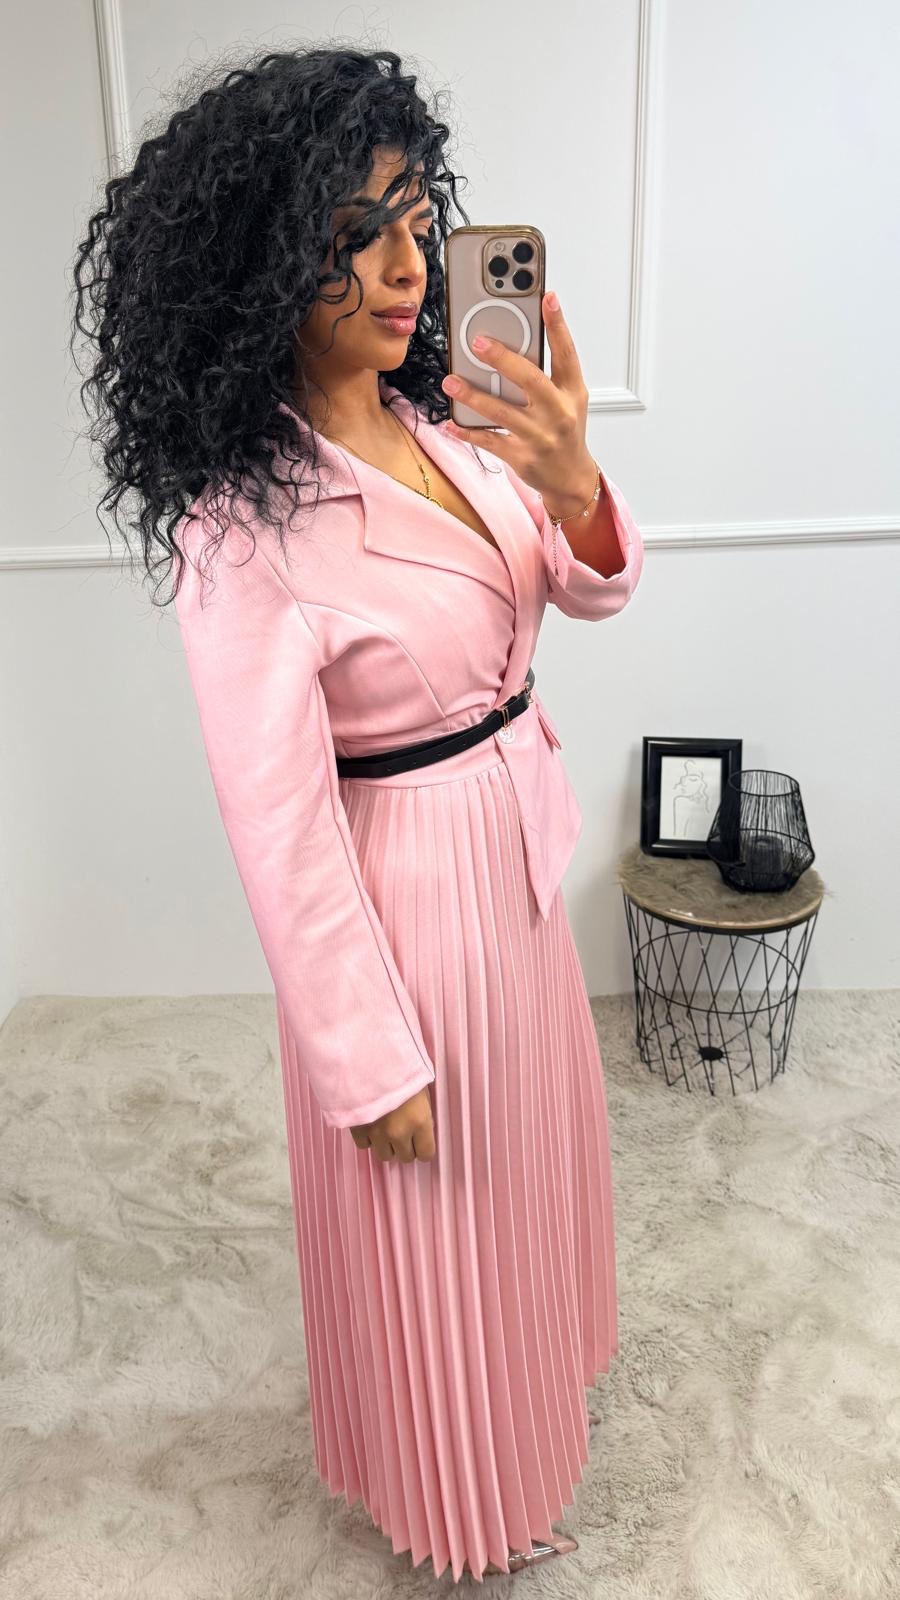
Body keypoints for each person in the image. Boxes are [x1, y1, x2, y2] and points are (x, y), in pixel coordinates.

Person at [71, 44, 644, 1583]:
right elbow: (279, 825)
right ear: (264, 260)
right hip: (407, 916)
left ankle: (537, 1404)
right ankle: (467, 1499)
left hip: (515, 864)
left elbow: (586, 587)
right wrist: (363, 1056)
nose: (406, 268)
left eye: (416, 222)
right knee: (438, 1224)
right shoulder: (242, 528)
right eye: (356, 235)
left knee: (525, 1177)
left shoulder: (456, 413)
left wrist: (574, 477)